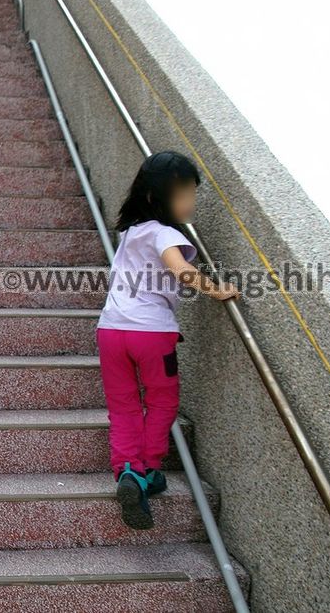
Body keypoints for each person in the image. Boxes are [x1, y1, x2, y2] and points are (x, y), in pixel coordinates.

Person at [95, 150, 240, 530]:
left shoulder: (130, 233)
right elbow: (182, 271)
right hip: (150, 334)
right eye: (183, 195)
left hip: (111, 331)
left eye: (191, 193)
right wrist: (217, 289)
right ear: (155, 198)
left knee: (123, 406)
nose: (190, 202)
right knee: (162, 401)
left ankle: (127, 469)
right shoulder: (164, 233)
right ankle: (148, 470)